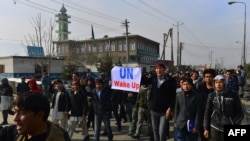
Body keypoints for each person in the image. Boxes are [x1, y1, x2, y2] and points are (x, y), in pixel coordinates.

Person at [0, 92, 71, 141]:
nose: (15, 119)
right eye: (15, 112)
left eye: (21, 113)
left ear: (40, 115)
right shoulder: (15, 132)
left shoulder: (58, 137)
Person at [203, 75, 244, 141]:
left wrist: (233, 122)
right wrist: (206, 128)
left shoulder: (233, 95)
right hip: (214, 126)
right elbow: (207, 112)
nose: (218, 85)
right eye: (216, 82)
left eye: (220, 82)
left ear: (225, 82)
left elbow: (240, 113)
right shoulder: (211, 95)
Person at [148, 61, 177, 141]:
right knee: (155, 131)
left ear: (164, 69)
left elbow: (173, 96)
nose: (158, 70)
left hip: (164, 112)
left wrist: (170, 108)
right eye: (156, 68)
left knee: (162, 132)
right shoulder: (153, 79)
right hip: (154, 110)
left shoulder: (171, 81)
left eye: (160, 68)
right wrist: (138, 71)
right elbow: (143, 81)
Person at [196, 68, 216, 141]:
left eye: (210, 76)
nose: (208, 78)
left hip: (214, 117)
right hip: (202, 116)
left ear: (213, 77)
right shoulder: (199, 88)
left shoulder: (217, 89)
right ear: (204, 77)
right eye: (206, 77)